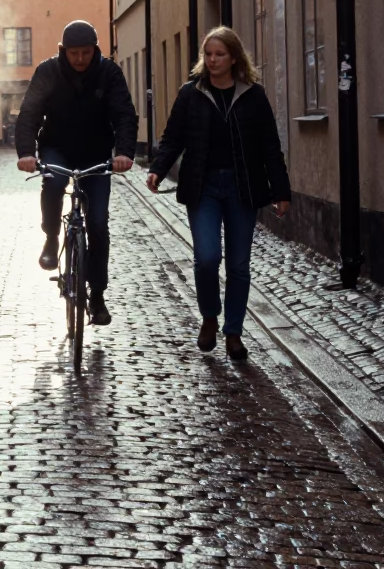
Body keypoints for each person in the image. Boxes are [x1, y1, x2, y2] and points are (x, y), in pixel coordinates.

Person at [146, 26, 291, 361]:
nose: (212, 60)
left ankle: (234, 333)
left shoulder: (253, 95)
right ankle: (210, 316)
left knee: (239, 265)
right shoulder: (190, 93)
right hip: (203, 187)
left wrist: (280, 190)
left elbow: (270, 146)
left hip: (243, 188)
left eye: (219, 54)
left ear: (234, 57)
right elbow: (173, 138)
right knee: (207, 258)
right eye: (208, 54)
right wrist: (157, 168)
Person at [15, 20, 138, 326]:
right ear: (63, 51)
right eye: (74, 53)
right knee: (54, 183)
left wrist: (124, 153)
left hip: (96, 153)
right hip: (57, 147)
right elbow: (29, 113)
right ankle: (51, 238)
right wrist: (27, 153)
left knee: (97, 222)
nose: (80, 59)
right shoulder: (48, 72)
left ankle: (96, 295)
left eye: (85, 52)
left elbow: (124, 113)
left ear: (95, 49)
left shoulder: (109, 73)